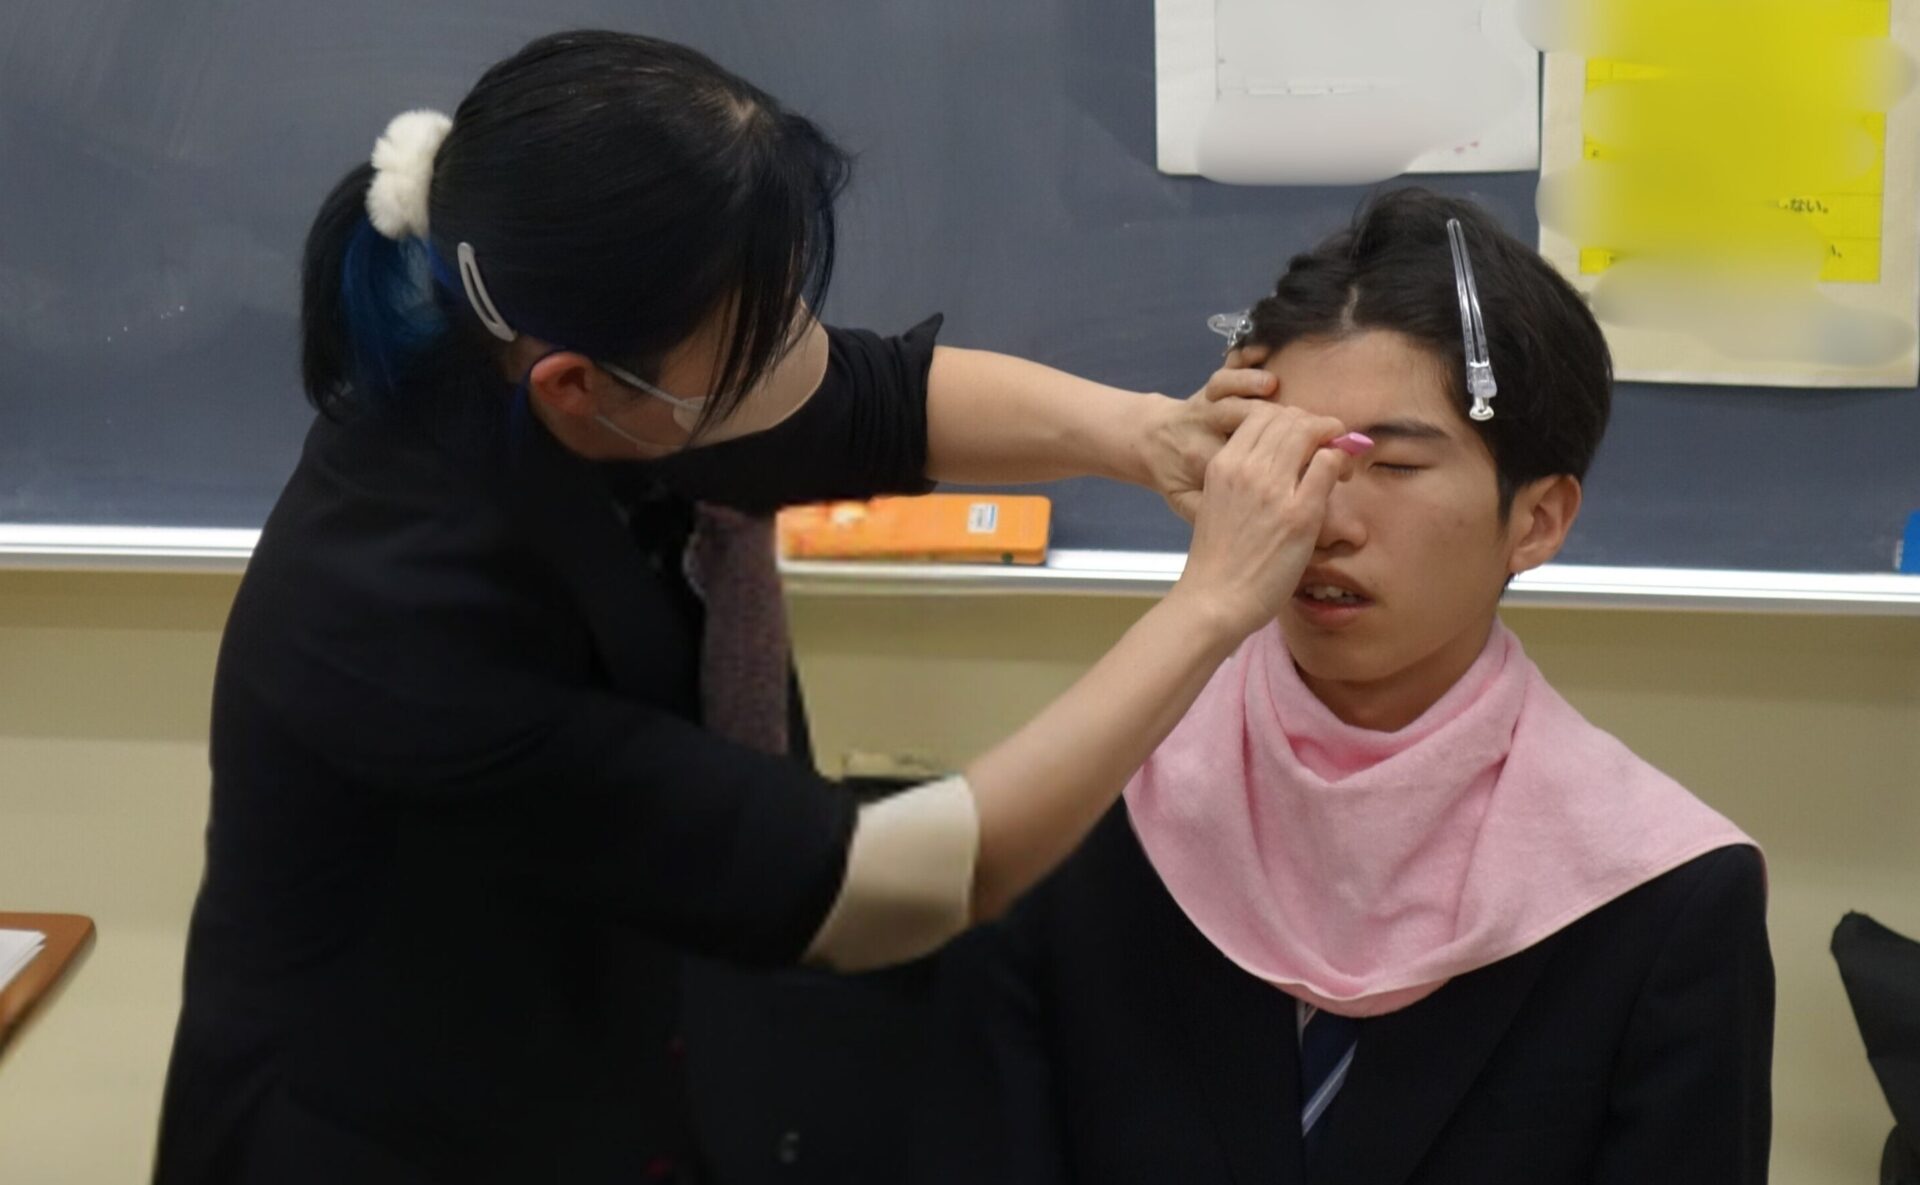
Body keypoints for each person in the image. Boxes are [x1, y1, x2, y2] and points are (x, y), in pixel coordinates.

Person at [150, 29, 1364, 1185]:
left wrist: (1151, 436)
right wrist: (1210, 607)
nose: (796, 353)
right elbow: (893, 882)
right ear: (578, 386)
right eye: (753, 340)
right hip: (395, 1132)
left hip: (613, 1035)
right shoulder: (399, 620)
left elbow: (879, 399)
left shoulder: (583, 360)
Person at [919, 188, 1774, 1185]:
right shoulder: (1084, 813)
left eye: (1393, 464)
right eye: (1290, 458)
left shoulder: (1664, 892)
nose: (1323, 519)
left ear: (1537, 520)